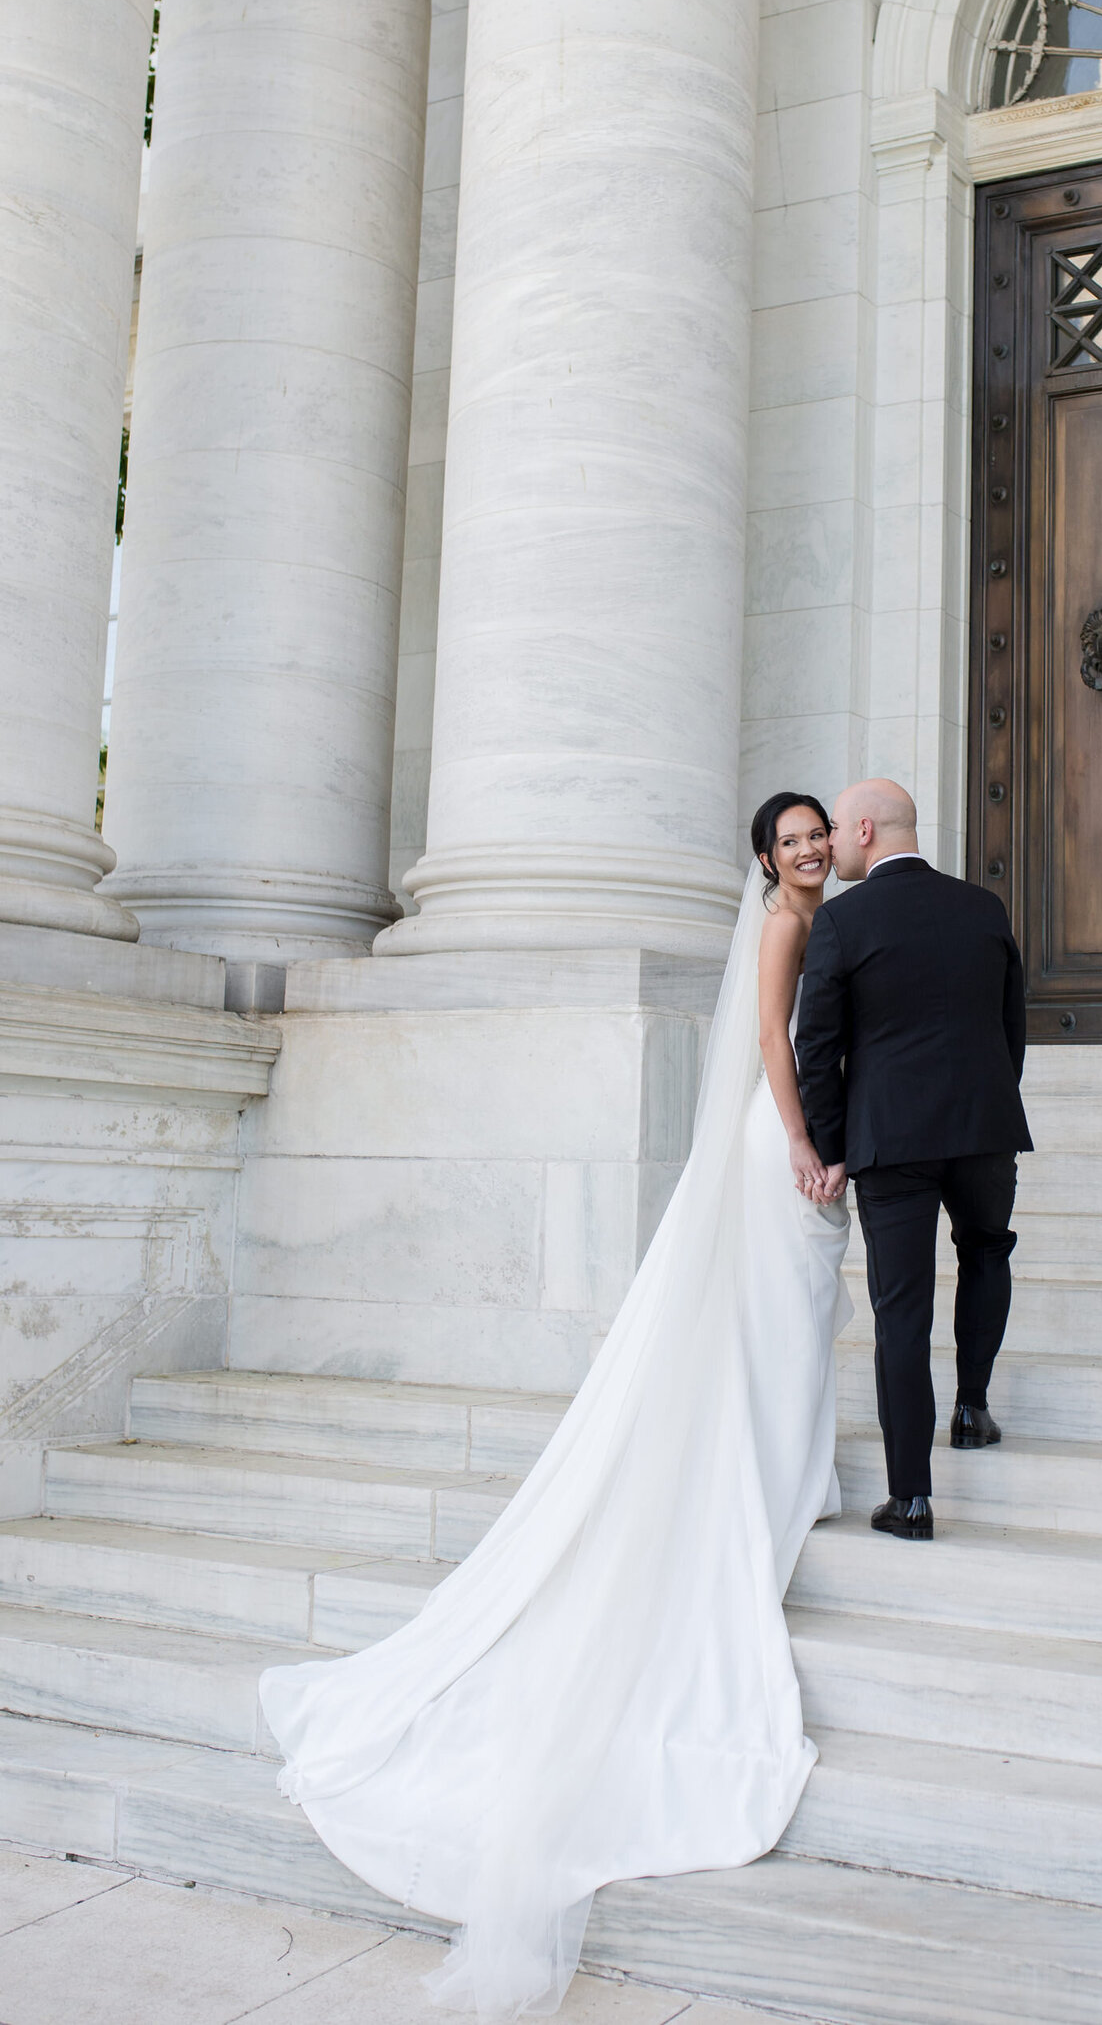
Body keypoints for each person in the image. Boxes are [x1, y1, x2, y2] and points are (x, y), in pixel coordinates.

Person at [258, 796, 852, 2021]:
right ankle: (772, 1483)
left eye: (815, 833)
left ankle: (787, 1473)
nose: (805, 847)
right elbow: (773, 1047)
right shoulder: (785, 929)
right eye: (789, 837)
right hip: (774, 1144)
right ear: (762, 857)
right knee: (779, 1320)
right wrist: (801, 1144)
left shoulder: (826, 914)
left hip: (789, 1145)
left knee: (786, 1327)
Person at [794, 779, 1031, 1541]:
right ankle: (971, 1407)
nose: (828, 846)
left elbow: (817, 1049)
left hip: (890, 1141)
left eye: (834, 830)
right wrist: (990, 1105)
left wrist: (828, 1148)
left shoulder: (841, 920)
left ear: (864, 829)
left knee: (903, 1310)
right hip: (984, 1127)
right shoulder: (984, 909)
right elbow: (1010, 1029)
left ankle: (912, 1498)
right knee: (987, 1252)